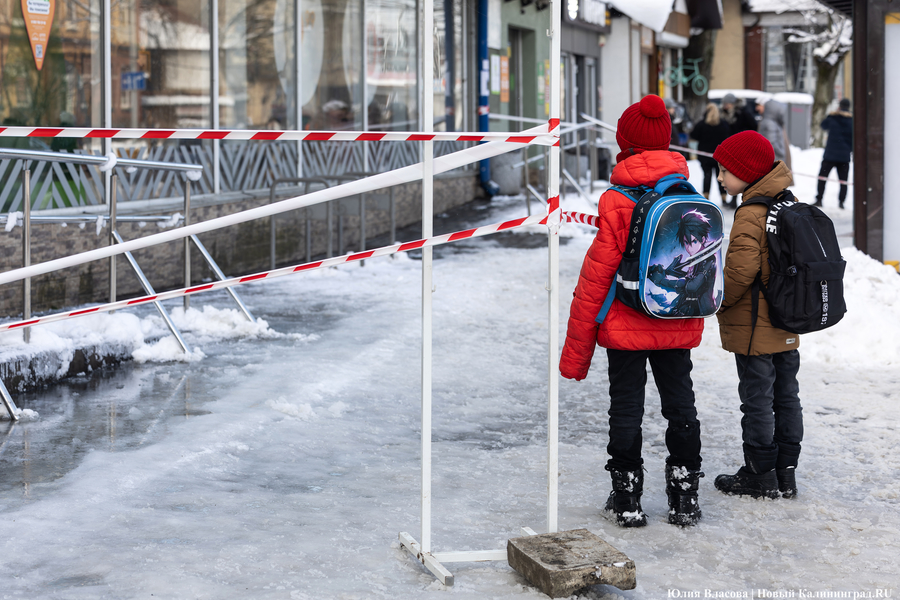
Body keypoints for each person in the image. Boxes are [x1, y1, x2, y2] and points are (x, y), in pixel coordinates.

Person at [560, 94, 705, 528]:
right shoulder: (688, 193)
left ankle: (627, 499)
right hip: (676, 322)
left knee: (626, 407)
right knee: (681, 406)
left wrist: (576, 352)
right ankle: (685, 497)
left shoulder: (617, 199)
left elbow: (597, 276)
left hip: (625, 325)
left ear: (624, 142)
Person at [712, 130, 803, 500]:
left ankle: (759, 475)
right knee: (787, 396)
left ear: (747, 172)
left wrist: (717, 300)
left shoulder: (751, 212)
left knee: (757, 399)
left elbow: (739, 272)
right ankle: (786, 473)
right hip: (788, 319)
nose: (719, 177)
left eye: (725, 170)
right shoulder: (788, 202)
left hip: (754, 328)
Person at [647, 209, 722, 317]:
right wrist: (666, 272)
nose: (689, 248)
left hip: (699, 308)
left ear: (703, 239)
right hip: (686, 306)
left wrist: (662, 281)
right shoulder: (696, 258)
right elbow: (691, 277)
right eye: (686, 242)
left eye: (694, 241)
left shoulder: (709, 260)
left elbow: (692, 286)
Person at [690, 103, 731, 203]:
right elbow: (728, 137)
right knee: (720, 177)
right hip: (720, 156)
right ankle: (723, 197)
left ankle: (706, 196)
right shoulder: (723, 124)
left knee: (707, 176)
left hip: (705, 155)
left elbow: (693, 135)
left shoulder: (701, 124)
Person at [815, 98, 852, 208]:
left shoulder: (833, 117)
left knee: (822, 178)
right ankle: (841, 202)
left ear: (839, 106)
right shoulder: (852, 120)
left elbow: (823, 125)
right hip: (844, 156)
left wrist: (831, 115)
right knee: (843, 181)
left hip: (830, 156)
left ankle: (819, 199)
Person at [757, 100, 791, 169]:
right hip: (775, 161)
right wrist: (781, 153)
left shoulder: (772, 122)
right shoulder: (770, 124)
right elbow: (771, 143)